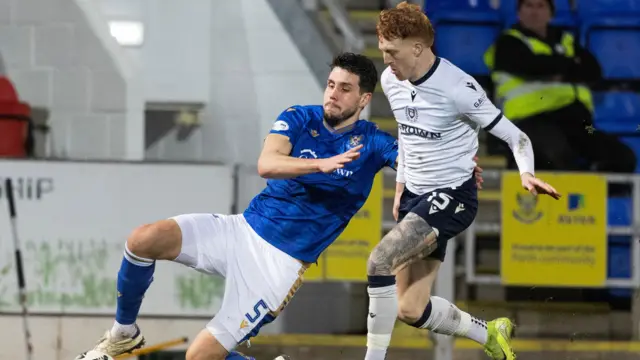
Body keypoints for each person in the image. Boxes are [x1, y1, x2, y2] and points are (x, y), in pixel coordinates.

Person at [75, 52, 482, 360]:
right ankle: (123, 334)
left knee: (198, 357)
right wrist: (319, 163)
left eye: (344, 88)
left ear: (364, 99)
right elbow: (267, 164)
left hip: (277, 267)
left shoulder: (373, 143)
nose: (333, 94)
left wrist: (460, 169)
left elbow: (419, 161)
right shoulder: (298, 117)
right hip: (241, 230)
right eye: (330, 84)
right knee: (144, 238)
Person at [363, 3, 561, 360]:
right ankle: (488, 332)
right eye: (382, 52)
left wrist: (527, 173)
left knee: (379, 261)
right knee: (410, 308)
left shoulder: (458, 88)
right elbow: (408, 137)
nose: (386, 61)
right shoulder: (391, 80)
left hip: (453, 196)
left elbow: (517, 138)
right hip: (415, 198)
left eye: (392, 53)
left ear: (418, 48)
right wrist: (400, 186)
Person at [484, 0, 636, 175]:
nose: (534, 12)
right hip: (530, 121)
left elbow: (594, 72)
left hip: (576, 122)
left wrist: (556, 69)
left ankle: (592, 191)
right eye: (529, 6)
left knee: (622, 157)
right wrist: (570, 66)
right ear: (519, 12)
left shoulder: (566, 40)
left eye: (541, 6)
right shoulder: (507, 43)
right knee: (556, 155)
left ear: (551, 13)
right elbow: (532, 66)